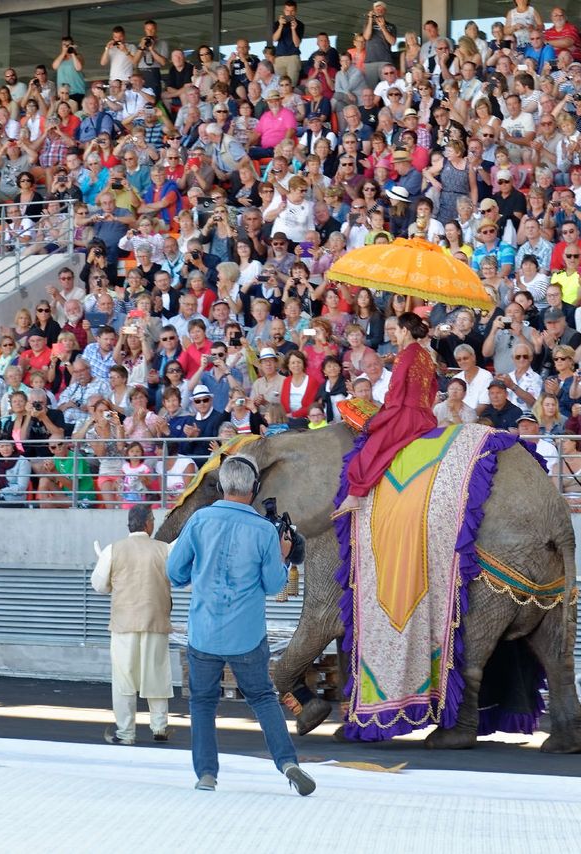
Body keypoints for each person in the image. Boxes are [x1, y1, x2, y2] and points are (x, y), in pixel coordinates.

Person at [166, 454, 315, 796]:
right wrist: (282, 555)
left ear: (221, 486)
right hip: (247, 635)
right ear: (254, 489)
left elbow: (174, 572)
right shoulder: (263, 530)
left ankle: (206, 774)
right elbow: (274, 585)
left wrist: (195, 576)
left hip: (204, 631)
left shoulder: (200, 520)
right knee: (262, 698)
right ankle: (287, 762)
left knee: (202, 703)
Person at [335, 313, 437, 515]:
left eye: (396, 330)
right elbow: (433, 388)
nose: (394, 334)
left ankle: (354, 494)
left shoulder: (405, 355)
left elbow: (396, 392)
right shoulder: (426, 355)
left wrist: (380, 416)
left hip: (407, 415)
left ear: (405, 331)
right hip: (426, 415)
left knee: (372, 447)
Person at [92, 504, 173, 745]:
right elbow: (177, 578)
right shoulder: (165, 549)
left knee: (124, 679)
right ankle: (159, 727)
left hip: (123, 624)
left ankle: (126, 733)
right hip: (156, 621)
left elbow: (99, 586)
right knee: (156, 673)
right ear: (148, 523)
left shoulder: (112, 549)